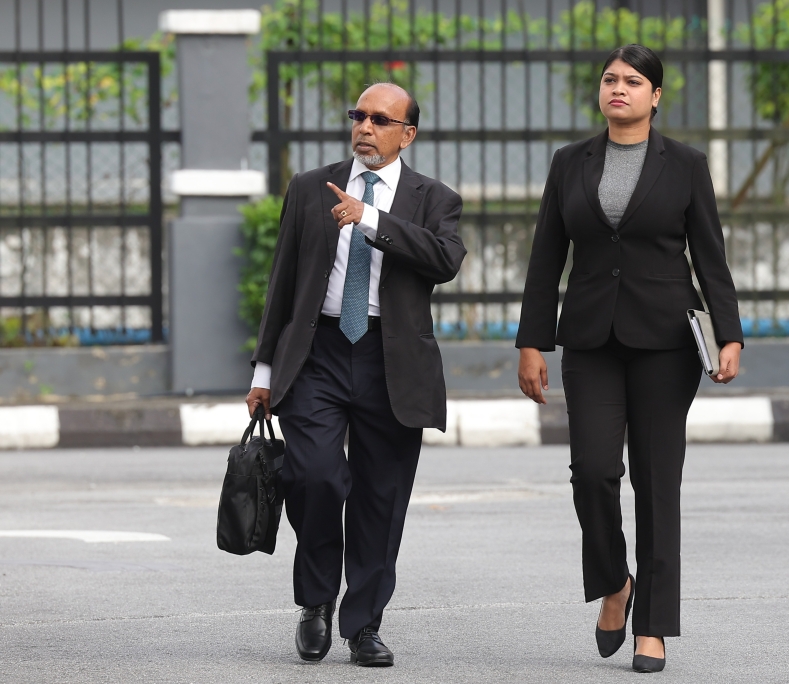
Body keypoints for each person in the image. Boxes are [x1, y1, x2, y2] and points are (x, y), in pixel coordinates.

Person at [515, 45, 743, 673]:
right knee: (591, 471)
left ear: (655, 96)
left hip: (666, 344)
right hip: (589, 340)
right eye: (611, 79)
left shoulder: (686, 165)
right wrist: (532, 340)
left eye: (633, 81)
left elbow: (710, 255)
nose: (619, 88)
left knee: (656, 483)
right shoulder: (570, 163)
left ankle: (655, 626)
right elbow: (545, 257)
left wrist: (731, 334)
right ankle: (615, 582)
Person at [246, 82, 466, 667]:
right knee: (314, 477)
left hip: (389, 361)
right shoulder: (309, 188)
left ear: (407, 134)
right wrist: (265, 369)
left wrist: (370, 217)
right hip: (316, 354)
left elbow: (445, 260)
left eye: (380, 119)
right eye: (359, 116)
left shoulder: (433, 198)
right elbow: (284, 282)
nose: (365, 127)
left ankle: (364, 624)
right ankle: (315, 603)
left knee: (380, 498)